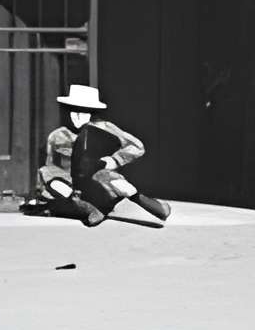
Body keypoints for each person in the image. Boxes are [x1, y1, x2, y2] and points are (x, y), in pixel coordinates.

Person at [24, 84, 170, 226]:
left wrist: (113, 160)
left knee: (119, 184)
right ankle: (89, 209)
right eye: (74, 111)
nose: (77, 117)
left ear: (91, 112)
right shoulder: (58, 136)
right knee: (50, 178)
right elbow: (50, 167)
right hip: (71, 186)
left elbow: (137, 147)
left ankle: (148, 204)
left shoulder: (105, 128)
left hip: (98, 180)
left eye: (83, 112)